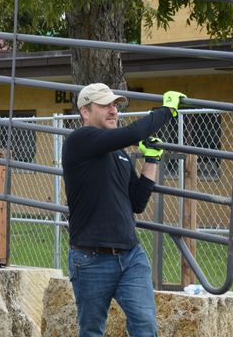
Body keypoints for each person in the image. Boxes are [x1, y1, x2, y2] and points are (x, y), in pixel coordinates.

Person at [62, 83, 185, 337]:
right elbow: (133, 132)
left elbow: (137, 203)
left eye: (115, 105)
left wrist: (151, 160)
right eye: (105, 105)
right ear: (85, 111)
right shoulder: (78, 141)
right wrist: (166, 111)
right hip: (90, 259)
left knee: (145, 325)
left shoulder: (119, 154)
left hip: (131, 256)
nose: (113, 111)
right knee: (92, 330)